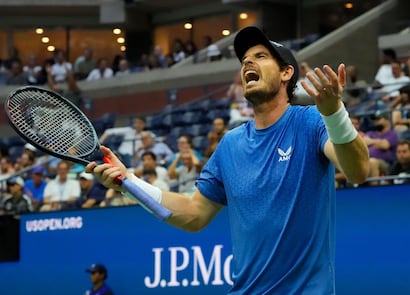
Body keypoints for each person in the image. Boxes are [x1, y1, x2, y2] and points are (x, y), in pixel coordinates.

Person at [86, 26, 369, 294]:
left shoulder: (310, 122)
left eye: (260, 57)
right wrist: (129, 182)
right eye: (245, 60)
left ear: (286, 72)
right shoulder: (231, 144)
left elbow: (358, 171)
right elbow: (193, 214)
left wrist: (334, 113)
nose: (247, 64)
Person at [363, 110, 399, 186]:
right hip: (366, 160)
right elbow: (363, 143)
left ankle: (374, 189)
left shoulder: (392, 134)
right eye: (374, 120)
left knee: (373, 162)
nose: (375, 122)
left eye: (378, 119)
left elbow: (385, 145)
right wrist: (378, 142)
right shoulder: (370, 133)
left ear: (387, 120)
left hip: (387, 164)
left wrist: (371, 142)